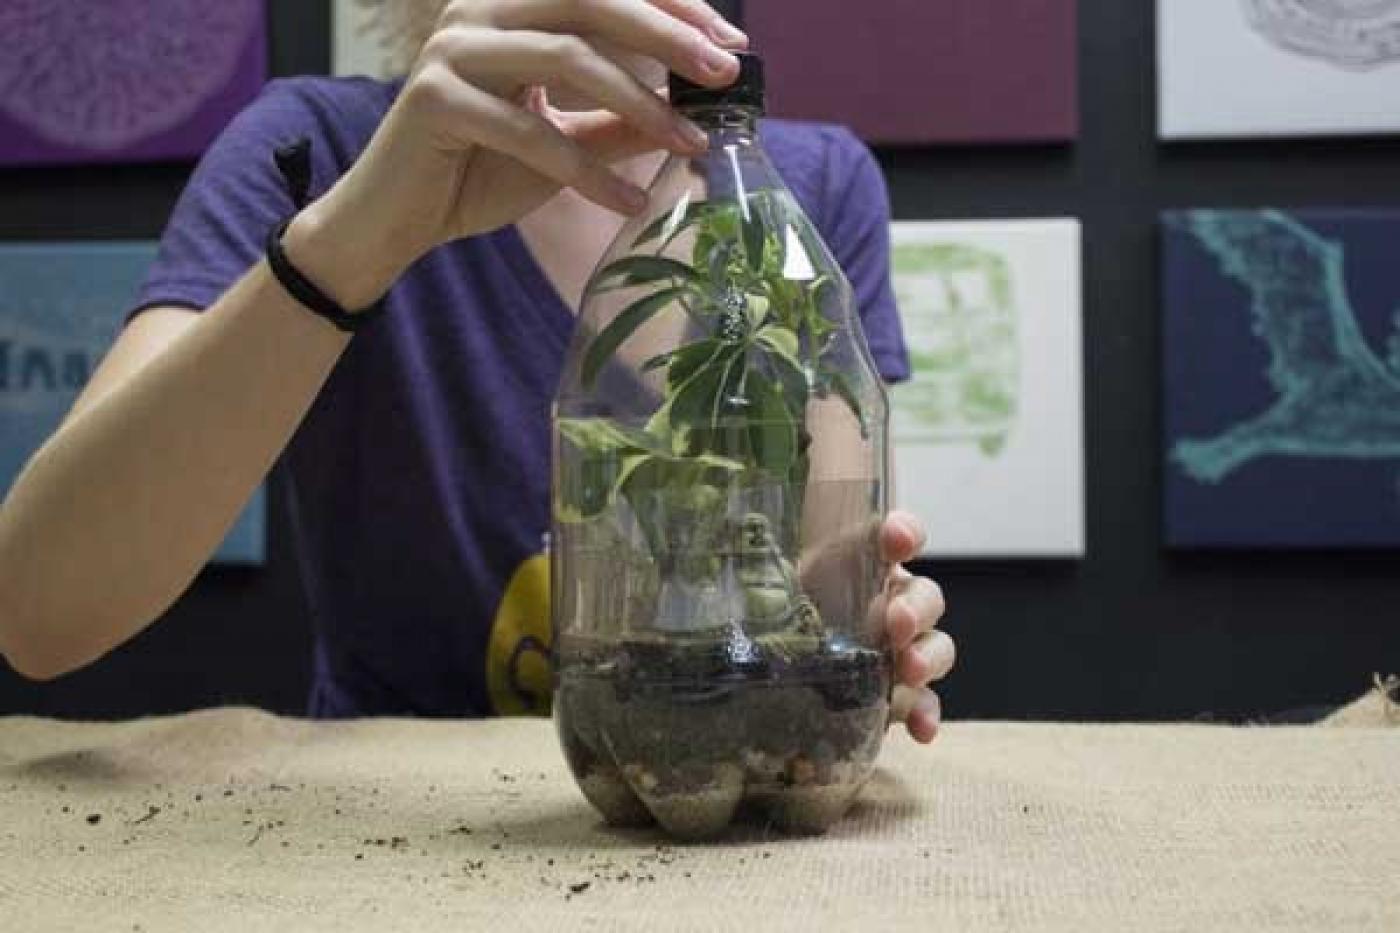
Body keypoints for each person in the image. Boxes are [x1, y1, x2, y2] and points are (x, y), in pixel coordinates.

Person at [0, 0, 953, 740]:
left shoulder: (816, 186)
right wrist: (357, 239)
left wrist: (871, 627)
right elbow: (41, 611)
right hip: (387, 843)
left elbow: (828, 563)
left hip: (714, 805)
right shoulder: (316, 151)